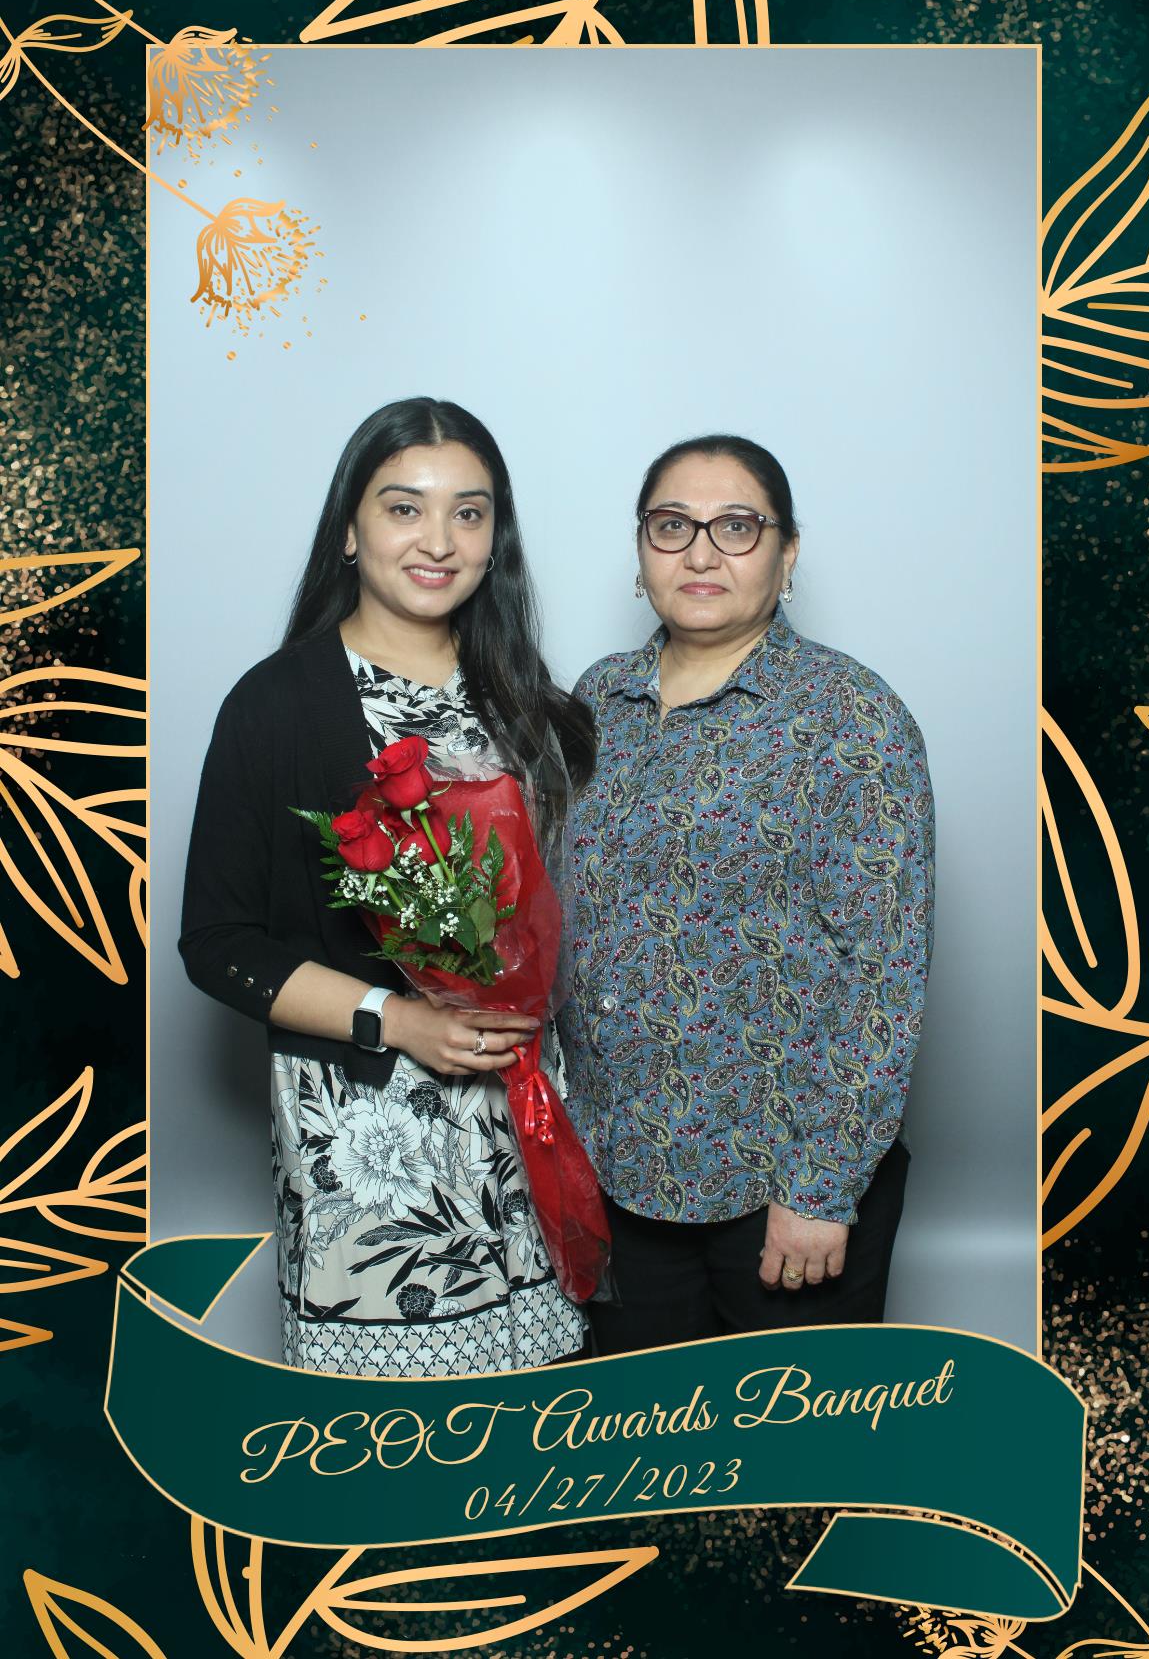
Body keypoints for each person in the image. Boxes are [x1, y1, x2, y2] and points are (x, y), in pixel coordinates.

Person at [179, 397, 596, 1377]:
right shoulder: (277, 705)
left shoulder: (531, 702)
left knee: (540, 1421)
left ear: (495, 539)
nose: (438, 540)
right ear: (350, 530)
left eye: (469, 512)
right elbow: (219, 943)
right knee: (389, 1438)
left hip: (528, 1116)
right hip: (370, 1153)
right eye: (405, 508)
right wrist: (396, 1019)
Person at [556, 434, 935, 1354]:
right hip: (617, 1169)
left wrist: (821, 1189)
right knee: (640, 1435)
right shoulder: (596, 699)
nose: (700, 553)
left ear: (786, 553)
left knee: (786, 1440)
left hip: (778, 1192)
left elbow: (885, 971)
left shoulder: (851, 715)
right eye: (671, 526)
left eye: (736, 526)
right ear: (641, 549)